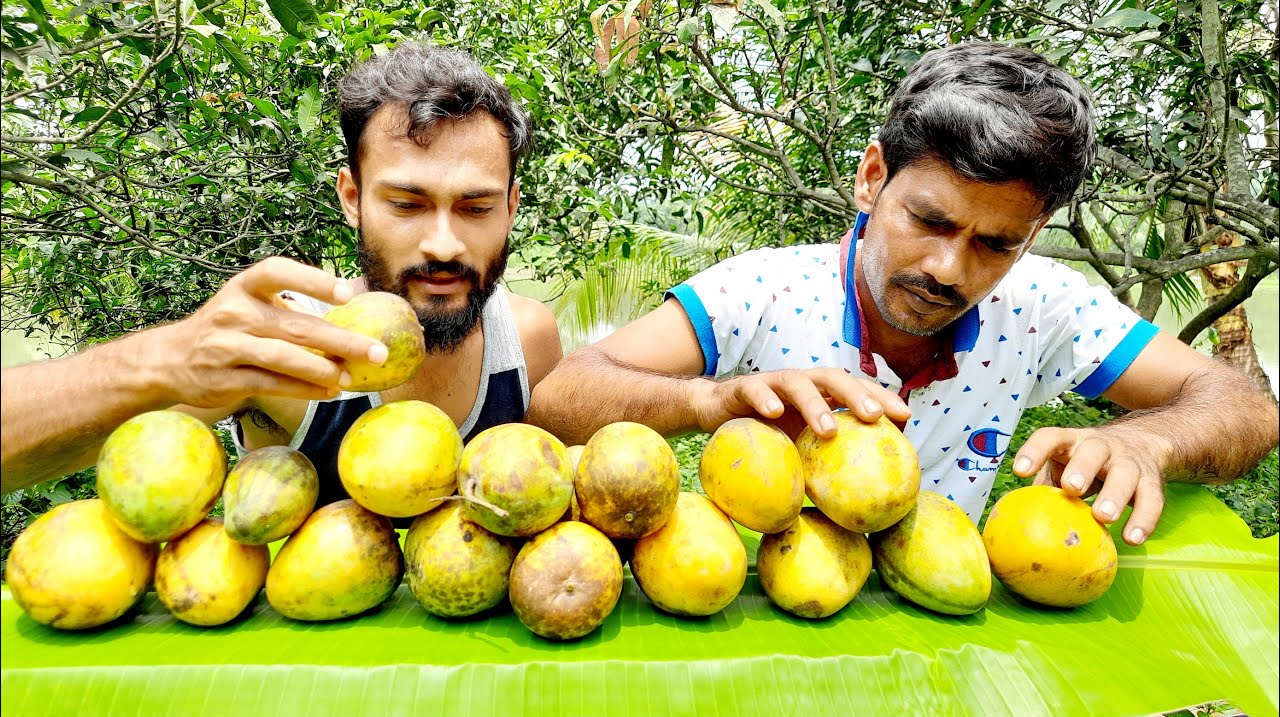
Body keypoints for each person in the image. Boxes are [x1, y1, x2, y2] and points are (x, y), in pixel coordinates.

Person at [526, 42, 1279, 545]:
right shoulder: (762, 288)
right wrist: (711, 402)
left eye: (996, 243)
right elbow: (563, 395)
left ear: (1036, 229)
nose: (949, 270)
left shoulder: (1047, 304)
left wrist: (1147, 441)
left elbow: (1243, 406)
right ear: (872, 177)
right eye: (929, 220)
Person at [1, 42, 563, 508]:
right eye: (406, 204)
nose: (443, 243)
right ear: (353, 198)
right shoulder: (283, 345)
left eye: (476, 208)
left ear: (511, 208)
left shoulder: (527, 341)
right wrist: (168, 361)